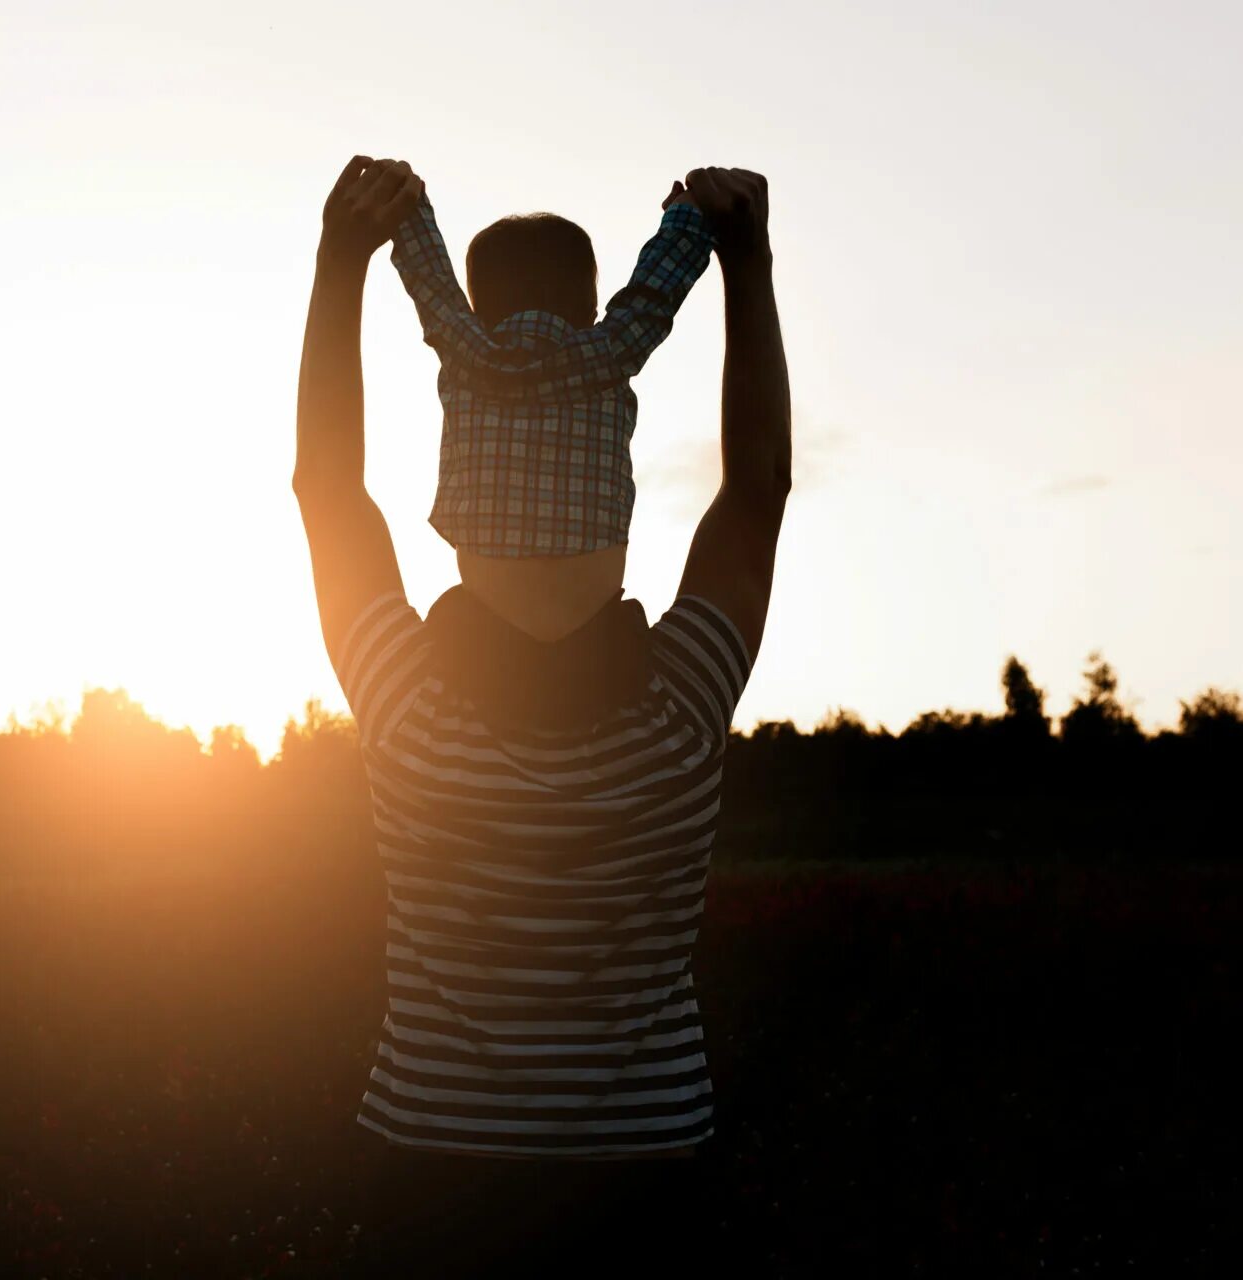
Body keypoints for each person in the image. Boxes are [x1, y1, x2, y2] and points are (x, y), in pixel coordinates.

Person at [293, 156, 791, 1275]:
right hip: (645, 1178)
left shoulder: (406, 701)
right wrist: (746, 267)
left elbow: (328, 488)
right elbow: (758, 489)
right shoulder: (682, 705)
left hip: (432, 1171)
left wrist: (340, 266)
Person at [386, 178, 715, 640]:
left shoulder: (466, 353)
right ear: (591, 307)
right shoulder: (610, 352)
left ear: (478, 312)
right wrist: (687, 218)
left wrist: (407, 204)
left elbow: (431, 281)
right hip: (595, 632)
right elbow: (652, 296)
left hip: (484, 631)